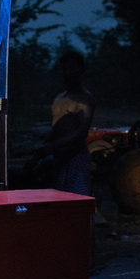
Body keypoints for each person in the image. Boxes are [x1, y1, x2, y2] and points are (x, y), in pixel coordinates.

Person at [27, 50, 94, 195]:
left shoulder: (85, 99)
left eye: (72, 68)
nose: (68, 73)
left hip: (76, 159)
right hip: (58, 160)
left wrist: (50, 147)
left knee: (77, 203)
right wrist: (40, 148)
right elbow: (56, 129)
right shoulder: (59, 99)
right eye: (65, 69)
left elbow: (79, 134)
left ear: (81, 71)